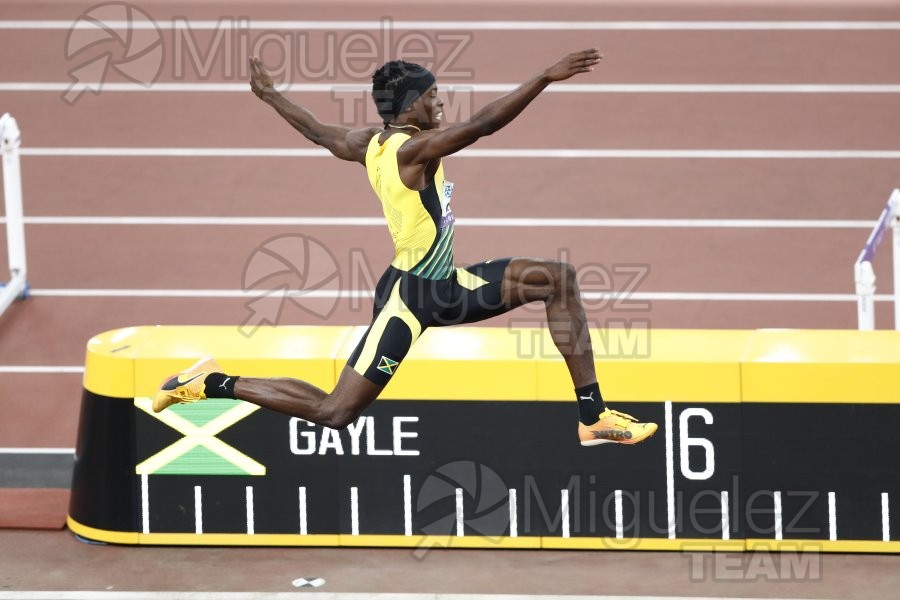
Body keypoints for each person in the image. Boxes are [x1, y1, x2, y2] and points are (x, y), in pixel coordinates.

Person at [154, 49, 657, 446]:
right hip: (410, 302)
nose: (441, 103)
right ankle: (209, 383)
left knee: (556, 279)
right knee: (335, 412)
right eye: (435, 96)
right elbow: (482, 125)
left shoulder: (367, 142)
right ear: (412, 105)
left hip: (449, 286)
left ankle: (593, 416)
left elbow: (315, 130)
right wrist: (544, 77)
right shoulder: (414, 151)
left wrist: (271, 95)